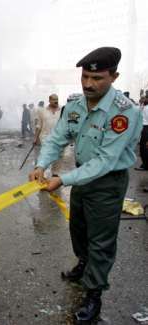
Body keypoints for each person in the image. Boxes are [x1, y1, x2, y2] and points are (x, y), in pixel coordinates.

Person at [29, 47, 143, 322]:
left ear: (114, 77)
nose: (89, 84)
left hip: (107, 183)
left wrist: (63, 179)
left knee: (101, 241)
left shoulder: (124, 112)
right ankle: (83, 264)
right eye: (85, 76)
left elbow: (105, 161)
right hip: (82, 178)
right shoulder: (76, 105)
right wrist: (40, 165)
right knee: (78, 228)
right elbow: (58, 138)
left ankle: (94, 295)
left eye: (97, 78)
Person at [34, 94, 62, 176]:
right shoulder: (42, 111)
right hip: (45, 137)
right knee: (46, 155)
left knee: (58, 156)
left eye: (57, 99)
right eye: (54, 99)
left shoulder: (62, 110)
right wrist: (35, 138)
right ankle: (42, 174)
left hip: (58, 137)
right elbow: (38, 125)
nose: (56, 101)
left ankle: (55, 173)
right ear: (49, 100)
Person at [135, 97, 148, 170]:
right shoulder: (144, 107)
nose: (142, 100)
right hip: (144, 128)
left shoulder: (146, 108)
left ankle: (145, 165)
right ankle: (144, 164)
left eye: (145, 99)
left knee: (144, 148)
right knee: (143, 148)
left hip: (146, 128)